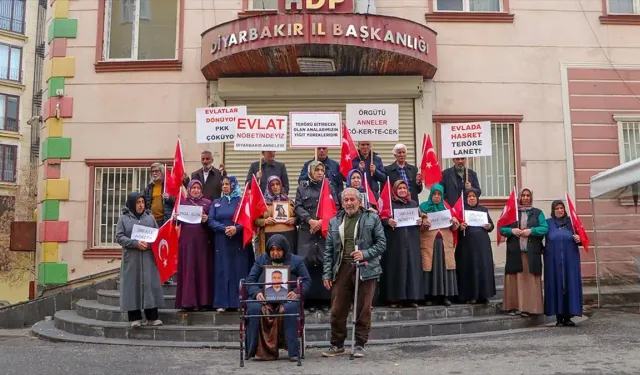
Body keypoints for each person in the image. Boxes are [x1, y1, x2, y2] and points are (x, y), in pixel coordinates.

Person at [321, 187, 386, 358]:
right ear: (342, 203)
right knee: (338, 309)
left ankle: (359, 344)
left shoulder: (372, 218)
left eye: (352, 199)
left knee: (363, 308)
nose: (349, 203)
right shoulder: (334, 221)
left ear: (359, 201)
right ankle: (337, 344)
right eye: (346, 200)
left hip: (366, 268)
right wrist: (327, 274)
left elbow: (381, 244)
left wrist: (364, 253)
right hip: (341, 268)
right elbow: (328, 251)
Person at [246, 234, 312, 362]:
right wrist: (257, 293)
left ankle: (293, 351)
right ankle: (257, 350)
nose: (275, 253)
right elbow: (251, 280)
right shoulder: (261, 260)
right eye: (272, 250)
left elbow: (307, 280)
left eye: (278, 250)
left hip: (286, 297)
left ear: (284, 250)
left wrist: (296, 291)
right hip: (264, 298)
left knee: (288, 308)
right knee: (255, 308)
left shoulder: (296, 261)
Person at [115, 192, 165, 328]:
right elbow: (119, 237)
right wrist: (135, 243)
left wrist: (150, 244)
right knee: (133, 286)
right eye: (138, 202)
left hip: (148, 258)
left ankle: (152, 316)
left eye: (142, 202)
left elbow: (157, 235)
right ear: (132, 204)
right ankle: (135, 317)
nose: (141, 205)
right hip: (132, 258)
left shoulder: (150, 218)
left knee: (150, 285)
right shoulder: (124, 219)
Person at [294, 161, 336, 312]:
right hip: (307, 231)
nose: (320, 172)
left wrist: (321, 222)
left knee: (323, 262)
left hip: (323, 231)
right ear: (310, 171)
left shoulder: (329, 187)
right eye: (317, 170)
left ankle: (324, 300)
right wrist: (310, 220)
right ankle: (309, 300)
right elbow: (298, 206)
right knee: (307, 263)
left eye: (322, 170)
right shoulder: (302, 188)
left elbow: (334, 206)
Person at [500, 188, 547, 317]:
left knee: (529, 280)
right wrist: (512, 231)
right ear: (519, 197)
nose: (525, 198)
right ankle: (513, 307)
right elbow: (502, 228)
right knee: (514, 279)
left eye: (528, 195)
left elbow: (544, 228)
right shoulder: (511, 212)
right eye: (523, 195)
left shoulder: (538, 213)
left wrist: (531, 231)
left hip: (531, 252)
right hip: (515, 252)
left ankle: (529, 307)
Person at [208, 176, 252, 312]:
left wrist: (236, 229)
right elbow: (211, 220)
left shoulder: (241, 202)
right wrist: (224, 228)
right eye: (223, 184)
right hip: (222, 241)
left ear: (233, 185)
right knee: (222, 270)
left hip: (238, 241)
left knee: (237, 270)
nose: (225, 187)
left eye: (228, 184)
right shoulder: (217, 202)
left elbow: (247, 219)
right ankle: (221, 302)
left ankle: (238, 302)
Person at [380, 180, 423, 307]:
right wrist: (388, 221)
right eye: (400, 188)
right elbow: (382, 218)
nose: (402, 190)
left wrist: (420, 220)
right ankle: (395, 298)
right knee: (396, 268)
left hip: (411, 240)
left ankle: (411, 298)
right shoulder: (390, 204)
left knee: (411, 268)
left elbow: (420, 218)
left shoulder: (414, 204)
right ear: (395, 190)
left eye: (404, 188)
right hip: (395, 242)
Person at [419, 184, 460, 307]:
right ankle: (428, 296)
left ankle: (446, 296)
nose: (436, 197)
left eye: (439, 194)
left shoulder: (446, 208)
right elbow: (417, 226)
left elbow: (453, 228)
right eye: (434, 194)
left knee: (445, 268)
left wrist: (455, 223)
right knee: (428, 267)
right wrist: (423, 223)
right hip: (429, 243)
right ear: (431, 194)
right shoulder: (422, 208)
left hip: (444, 244)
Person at [174, 180, 213, 311]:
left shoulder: (207, 203)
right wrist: (175, 217)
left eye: (198, 188)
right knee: (188, 270)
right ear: (189, 189)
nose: (195, 190)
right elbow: (177, 224)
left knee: (201, 270)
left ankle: (203, 302)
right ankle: (187, 302)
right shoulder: (183, 204)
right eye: (193, 188)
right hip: (186, 243)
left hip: (202, 243)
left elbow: (212, 223)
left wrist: (207, 220)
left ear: (201, 190)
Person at [544, 200, 583, 327]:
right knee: (556, 285)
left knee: (570, 284)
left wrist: (579, 239)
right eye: (557, 208)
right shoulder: (548, 223)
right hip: (553, 261)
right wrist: (543, 251)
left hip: (570, 260)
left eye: (561, 208)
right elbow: (537, 237)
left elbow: (582, 239)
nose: (560, 210)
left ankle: (568, 317)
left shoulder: (572, 223)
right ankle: (559, 317)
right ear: (553, 211)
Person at [456, 188, 496, 304]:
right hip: (467, 246)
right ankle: (470, 296)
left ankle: (484, 295)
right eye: (469, 196)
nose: (472, 198)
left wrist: (489, 226)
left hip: (482, 246)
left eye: (474, 196)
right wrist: (460, 227)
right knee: (469, 269)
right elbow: (455, 227)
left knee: (483, 268)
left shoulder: (483, 210)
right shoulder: (462, 211)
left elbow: (491, 225)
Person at [255, 176, 297, 256]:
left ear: (281, 185)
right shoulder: (262, 203)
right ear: (268, 186)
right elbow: (255, 221)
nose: (275, 187)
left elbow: (299, 218)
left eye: (277, 184)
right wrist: (265, 221)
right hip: (269, 237)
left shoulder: (289, 201)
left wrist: (294, 220)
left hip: (289, 236)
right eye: (272, 185)